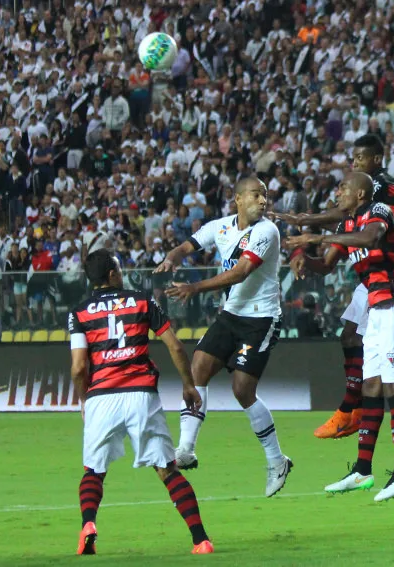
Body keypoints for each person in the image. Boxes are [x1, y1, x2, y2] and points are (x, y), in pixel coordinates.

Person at [285, 172, 394, 502]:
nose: (338, 192)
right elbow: (326, 265)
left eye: (343, 188)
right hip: (376, 310)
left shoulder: (379, 212)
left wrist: (317, 239)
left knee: (393, 386)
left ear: (360, 193)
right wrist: (305, 261)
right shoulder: (345, 227)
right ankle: (363, 469)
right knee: (371, 387)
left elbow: (372, 239)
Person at [273, 134, 394, 439]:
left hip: (392, 270)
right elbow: (326, 263)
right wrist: (302, 255)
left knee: (367, 353)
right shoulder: (355, 219)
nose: (354, 165)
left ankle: (351, 410)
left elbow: (350, 220)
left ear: (376, 160)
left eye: (360, 159)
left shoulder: (380, 186)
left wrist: (304, 221)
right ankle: (354, 411)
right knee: (349, 337)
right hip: (372, 276)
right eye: (353, 159)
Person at [68, 249, 213, 556]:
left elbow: (79, 368)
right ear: (111, 275)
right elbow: (175, 346)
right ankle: (200, 540)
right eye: (119, 269)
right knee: (167, 469)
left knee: (94, 471)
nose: (122, 273)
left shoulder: (79, 312)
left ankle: (88, 524)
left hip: (101, 397)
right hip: (141, 395)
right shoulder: (142, 300)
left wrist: (84, 402)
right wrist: (188, 385)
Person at [155, 177, 293, 498]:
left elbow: (241, 271)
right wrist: (173, 257)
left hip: (260, 318)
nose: (263, 201)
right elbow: (188, 245)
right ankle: (186, 448)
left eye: (266, 196)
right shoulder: (220, 226)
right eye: (256, 195)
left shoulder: (266, 231)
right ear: (238, 200)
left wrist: (195, 287)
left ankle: (277, 461)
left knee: (242, 390)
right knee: (197, 370)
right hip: (231, 314)